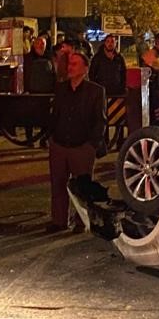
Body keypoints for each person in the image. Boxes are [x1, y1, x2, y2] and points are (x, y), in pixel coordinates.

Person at [46, 50, 107, 232]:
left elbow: (100, 119)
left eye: (74, 64)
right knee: (58, 184)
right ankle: (59, 220)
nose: (70, 68)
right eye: (69, 64)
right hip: (60, 143)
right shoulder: (61, 89)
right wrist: (51, 137)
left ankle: (81, 221)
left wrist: (91, 145)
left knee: (81, 187)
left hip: (82, 145)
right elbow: (55, 115)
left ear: (85, 69)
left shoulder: (96, 91)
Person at [90, 34, 128, 98]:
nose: (110, 44)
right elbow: (92, 74)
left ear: (115, 43)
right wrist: (96, 88)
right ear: (105, 43)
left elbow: (123, 73)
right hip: (101, 90)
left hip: (116, 91)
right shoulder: (98, 57)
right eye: (108, 41)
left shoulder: (119, 58)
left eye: (112, 42)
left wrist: (122, 87)